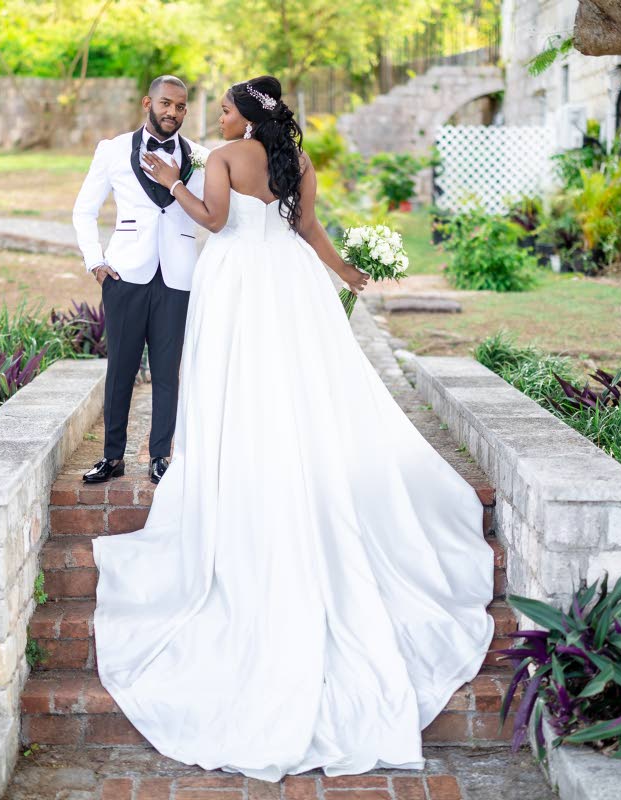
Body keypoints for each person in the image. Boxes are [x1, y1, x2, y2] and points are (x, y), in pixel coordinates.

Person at [91, 76, 495, 781]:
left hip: (238, 285)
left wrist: (170, 181)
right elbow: (310, 231)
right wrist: (345, 272)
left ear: (245, 116)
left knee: (235, 384)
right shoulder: (297, 162)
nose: (215, 115)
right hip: (292, 283)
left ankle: (247, 464)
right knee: (302, 382)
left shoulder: (219, 156)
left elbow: (213, 223)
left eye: (223, 107)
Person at [72, 75, 208, 485]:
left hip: (179, 277)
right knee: (121, 370)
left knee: (168, 372)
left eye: (181, 106)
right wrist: (95, 261)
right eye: (166, 103)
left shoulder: (201, 157)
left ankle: (160, 456)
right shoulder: (112, 151)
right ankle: (112, 457)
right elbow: (84, 210)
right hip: (125, 275)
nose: (173, 112)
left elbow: (209, 211)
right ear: (148, 102)